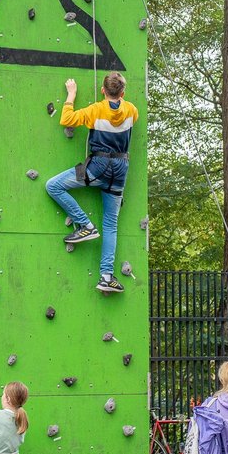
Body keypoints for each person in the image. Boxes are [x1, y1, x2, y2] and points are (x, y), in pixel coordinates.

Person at [45, 71, 139, 294]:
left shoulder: (95, 110)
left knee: (53, 186)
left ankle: (85, 225)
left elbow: (66, 119)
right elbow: (122, 112)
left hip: (99, 166)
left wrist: (71, 95)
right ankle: (106, 276)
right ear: (123, 93)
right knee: (111, 224)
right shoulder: (131, 111)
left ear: (103, 91)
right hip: (120, 170)